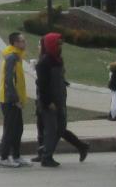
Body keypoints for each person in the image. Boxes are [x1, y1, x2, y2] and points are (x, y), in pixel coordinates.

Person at [34, 32, 89, 167]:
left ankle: (45, 150)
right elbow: (43, 85)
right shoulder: (44, 62)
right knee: (52, 129)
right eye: (58, 44)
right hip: (50, 102)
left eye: (61, 44)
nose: (60, 47)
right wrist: (48, 102)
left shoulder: (57, 59)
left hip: (60, 99)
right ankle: (46, 156)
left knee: (60, 128)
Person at [0, 29, 29, 168]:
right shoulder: (11, 57)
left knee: (18, 129)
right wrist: (15, 99)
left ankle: (16, 156)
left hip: (16, 100)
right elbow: (8, 81)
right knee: (10, 129)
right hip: (10, 100)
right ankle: (4, 158)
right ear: (15, 43)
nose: (25, 43)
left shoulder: (18, 57)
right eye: (22, 41)